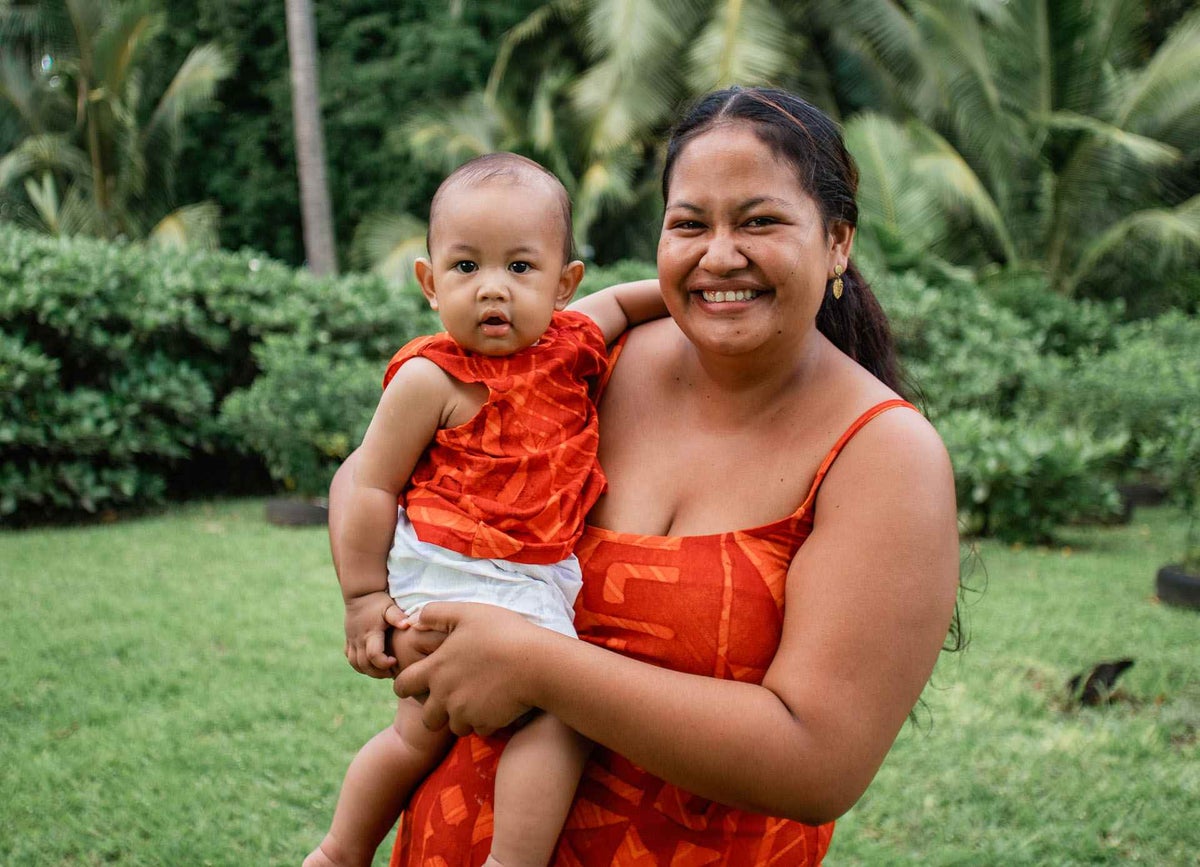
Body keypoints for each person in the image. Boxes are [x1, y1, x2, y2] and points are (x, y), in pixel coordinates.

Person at [329, 86, 962, 866]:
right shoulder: (590, 363)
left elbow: (818, 763)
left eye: (760, 221)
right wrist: (381, 604)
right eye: (690, 223)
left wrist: (532, 663)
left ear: (837, 241)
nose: (718, 254)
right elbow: (370, 470)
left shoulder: (883, 453)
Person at [307, 152, 666, 867]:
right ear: (429, 282)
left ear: (565, 284)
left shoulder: (573, 344)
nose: (492, 290)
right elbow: (373, 484)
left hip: (534, 577)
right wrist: (363, 597)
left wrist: (686, 288)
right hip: (449, 570)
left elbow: (625, 302)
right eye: (466, 268)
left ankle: (342, 851)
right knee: (558, 716)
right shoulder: (429, 377)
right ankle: (359, 849)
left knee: (419, 733)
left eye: (521, 269)